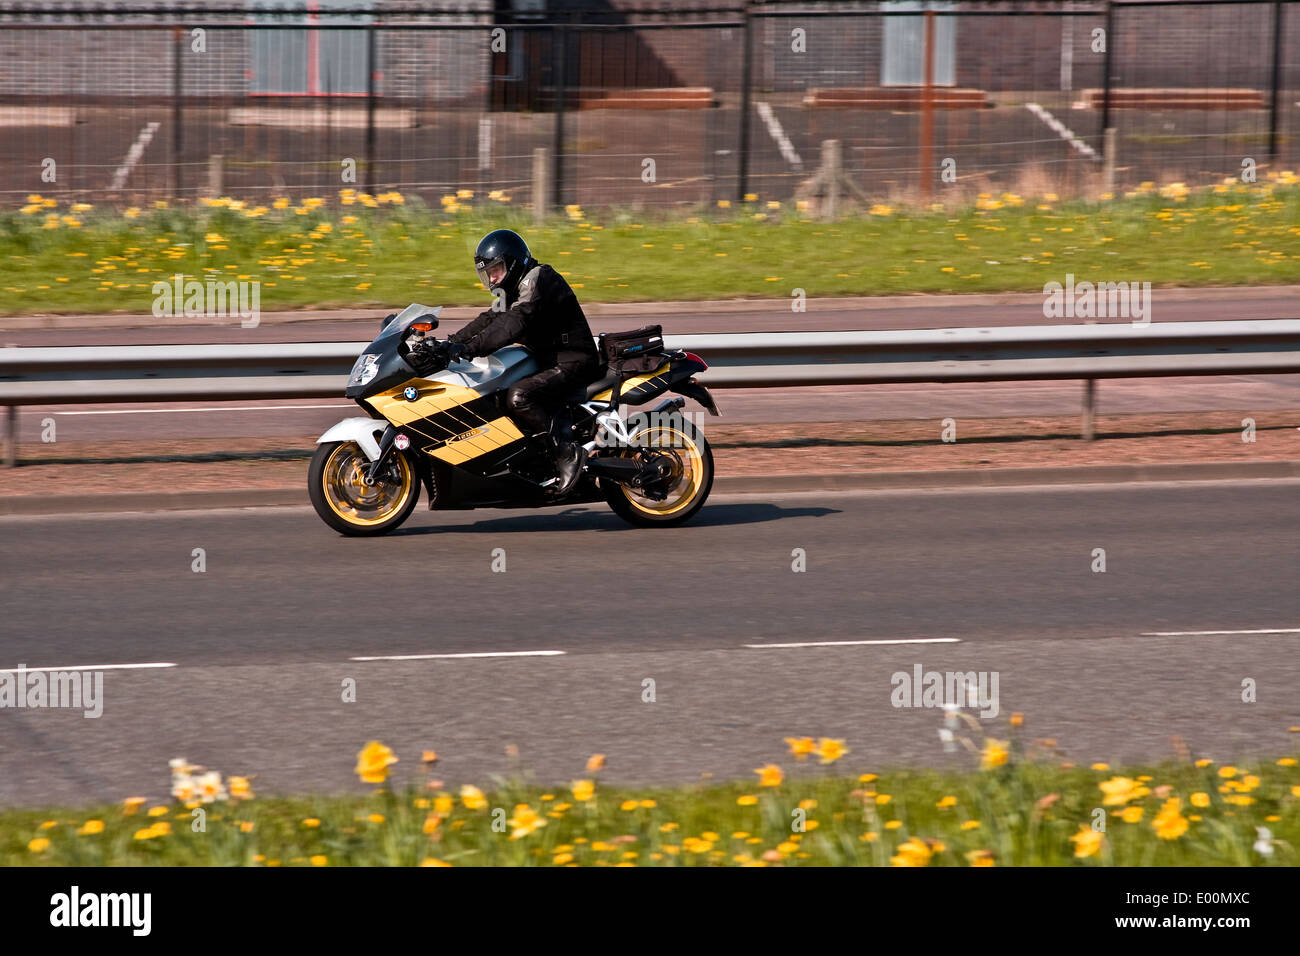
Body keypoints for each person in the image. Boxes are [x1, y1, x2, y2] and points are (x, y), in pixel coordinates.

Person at [434, 229, 601, 495]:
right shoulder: (511, 288)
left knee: (519, 396)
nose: (493, 278)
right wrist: (448, 344)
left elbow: (514, 323)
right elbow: (490, 319)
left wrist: (468, 348)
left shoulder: (538, 279)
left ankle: (568, 455)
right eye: (488, 273)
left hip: (574, 360)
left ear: (513, 262)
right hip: (546, 360)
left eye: (496, 269)